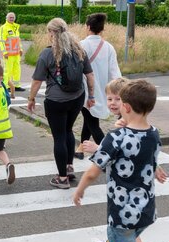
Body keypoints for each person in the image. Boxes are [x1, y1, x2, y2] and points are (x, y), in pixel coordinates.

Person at [73, 79, 168, 242]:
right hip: (145, 211)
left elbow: (93, 171)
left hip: (121, 216)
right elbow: (146, 157)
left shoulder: (117, 137)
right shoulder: (154, 132)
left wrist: (80, 189)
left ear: (125, 107)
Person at [87, 78, 157, 242]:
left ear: (128, 103)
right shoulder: (126, 122)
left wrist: (96, 147)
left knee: (129, 234)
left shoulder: (125, 124)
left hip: (128, 198)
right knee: (127, 233)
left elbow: (118, 152)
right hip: (135, 197)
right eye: (110, 98)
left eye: (118, 99)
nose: (114, 103)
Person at [27, 18, 95, 189]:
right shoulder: (79, 50)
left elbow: (36, 81)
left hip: (56, 101)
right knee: (68, 130)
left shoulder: (47, 54)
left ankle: (62, 178)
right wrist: (91, 95)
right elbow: (89, 75)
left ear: (51, 33)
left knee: (59, 137)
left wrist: (31, 98)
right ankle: (69, 167)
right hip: (77, 98)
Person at [75, 13, 122, 159]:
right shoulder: (109, 47)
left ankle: (108, 153)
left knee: (92, 123)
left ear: (88, 27)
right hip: (103, 91)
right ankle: (80, 149)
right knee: (90, 119)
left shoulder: (81, 45)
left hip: (86, 91)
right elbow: (115, 73)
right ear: (102, 29)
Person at [0, 12, 24, 91]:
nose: (12, 19)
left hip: (16, 54)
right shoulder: (4, 28)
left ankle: (16, 85)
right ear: (6, 18)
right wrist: (4, 52)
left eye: (13, 17)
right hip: (8, 54)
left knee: (17, 69)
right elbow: (2, 41)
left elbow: (18, 40)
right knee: (8, 70)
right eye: (10, 17)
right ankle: (7, 86)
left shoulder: (15, 27)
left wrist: (21, 49)